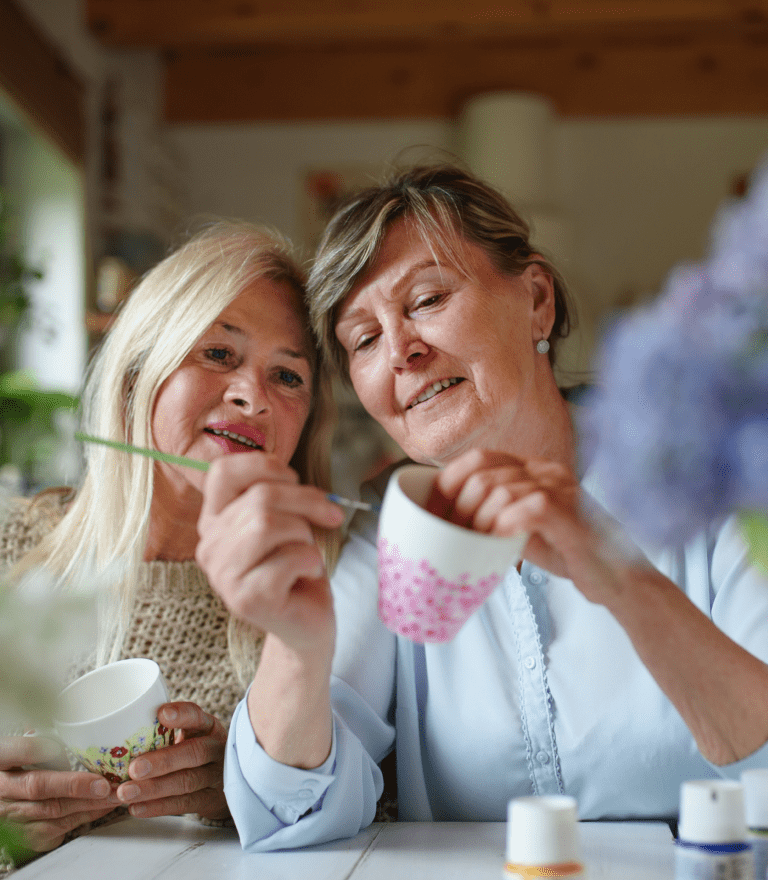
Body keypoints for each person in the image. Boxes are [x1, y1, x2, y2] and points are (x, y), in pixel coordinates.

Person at [196, 164, 768, 852]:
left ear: (537, 301)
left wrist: (620, 578)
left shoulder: (713, 475)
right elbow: (286, 812)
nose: (401, 352)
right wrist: (297, 643)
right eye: (364, 340)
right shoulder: (388, 527)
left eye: (428, 299)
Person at [0, 219, 343, 877]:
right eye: (219, 354)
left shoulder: (321, 588)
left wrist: (247, 787)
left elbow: (379, 809)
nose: (251, 396)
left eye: (288, 376)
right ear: (136, 375)